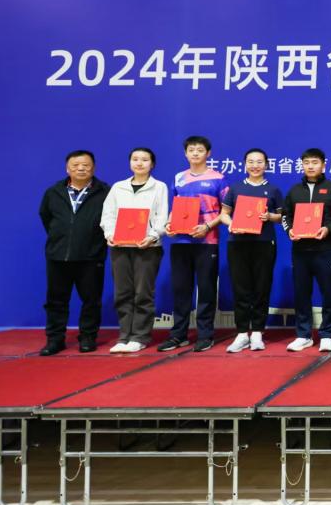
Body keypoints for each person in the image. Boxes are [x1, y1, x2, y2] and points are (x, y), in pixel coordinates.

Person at [159, 136, 229, 353]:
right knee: (181, 289)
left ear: (208, 153)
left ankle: (205, 335)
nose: (195, 153)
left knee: (206, 289)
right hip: (181, 241)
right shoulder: (179, 178)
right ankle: (178, 335)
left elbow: (226, 212)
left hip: (207, 241)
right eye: (191, 150)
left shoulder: (219, 178)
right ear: (186, 153)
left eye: (200, 150)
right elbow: (175, 207)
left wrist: (207, 227)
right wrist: (169, 224)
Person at [38, 150, 110, 355]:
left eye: (86, 165)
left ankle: (87, 337)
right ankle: (55, 339)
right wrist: (60, 238)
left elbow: (111, 219)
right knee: (55, 301)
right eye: (75, 165)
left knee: (91, 300)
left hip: (91, 256)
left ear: (93, 168)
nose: (81, 169)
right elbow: (46, 217)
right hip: (58, 255)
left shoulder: (105, 191)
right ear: (67, 168)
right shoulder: (54, 192)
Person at [99, 147, 168, 353]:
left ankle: (140, 336)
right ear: (130, 163)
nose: (139, 163)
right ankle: (124, 336)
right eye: (135, 159)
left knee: (143, 293)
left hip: (147, 247)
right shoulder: (118, 187)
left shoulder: (159, 187)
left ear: (152, 164)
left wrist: (152, 236)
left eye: (145, 160)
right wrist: (110, 234)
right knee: (122, 293)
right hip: (120, 247)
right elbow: (108, 214)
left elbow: (162, 216)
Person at [281, 148, 331, 352]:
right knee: (301, 293)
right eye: (307, 162)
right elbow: (285, 216)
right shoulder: (294, 191)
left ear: (323, 165)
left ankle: (327, 334)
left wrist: (328, 229)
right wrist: (290, 230)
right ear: (302, 165)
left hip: (325, 250)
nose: (310, 166)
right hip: (300, 251)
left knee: (329, 293)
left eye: (315, 162)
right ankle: (304, 335)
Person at [219, 148, 283, 353]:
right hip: (238, 243)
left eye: (259, 162)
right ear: (245, 164)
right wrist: (231, 224)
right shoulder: (236, 188)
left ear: (266, 165)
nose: (255, 166)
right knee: (240, 288)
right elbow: (224, 213)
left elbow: (282, 217)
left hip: (264, 243)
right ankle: (241, 334)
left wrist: (269, 217)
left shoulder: (273, 190)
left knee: (262, 287)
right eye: (251, 162)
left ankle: (257, 333)